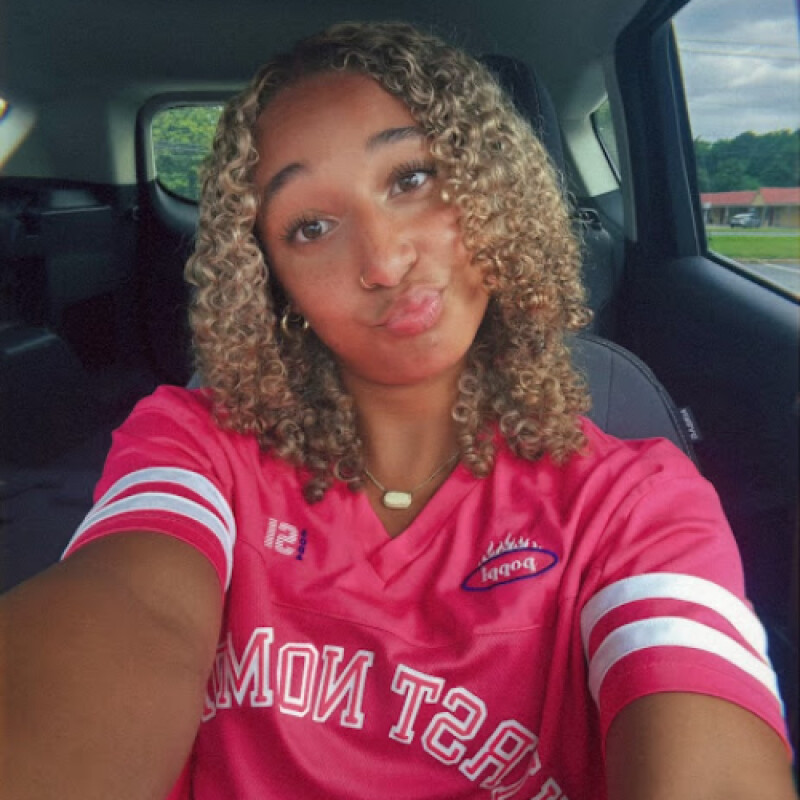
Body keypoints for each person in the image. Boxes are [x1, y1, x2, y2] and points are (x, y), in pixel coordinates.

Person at [0, 21, 795, 800]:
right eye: (311, 226)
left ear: (492, 192)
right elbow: (132, 606)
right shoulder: (196, 443)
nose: (383, 261)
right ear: (272, 280)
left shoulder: (635, 503)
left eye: (411, 179)